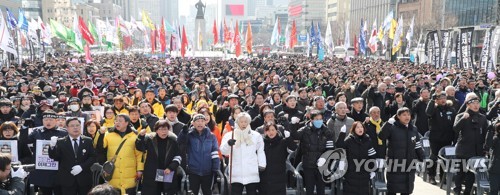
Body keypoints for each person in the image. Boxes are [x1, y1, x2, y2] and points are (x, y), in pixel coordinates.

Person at [20, 109, 67, 195]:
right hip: (42, 170)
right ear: (42, 121)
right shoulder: (36, 131)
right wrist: (24, 128)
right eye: (45, 120)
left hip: (58, 169)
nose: (48, 122)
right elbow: (24, 141)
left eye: (51, 120)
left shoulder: (63, 133)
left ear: (56, 121)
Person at [379, 107, 425, 195]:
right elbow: (381, 136)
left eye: (408, 114)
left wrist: (422, 159)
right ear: (398, 116)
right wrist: (388, 123)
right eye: (404, 115)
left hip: (409, 163)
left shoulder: (413, 129)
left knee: (407, 189)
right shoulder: (392, 127)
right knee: (392, 189)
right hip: (395, 164)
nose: (407, 117)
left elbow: (417, 145)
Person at [95, 114, 144, 194]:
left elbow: (139, 155)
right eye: (116, 121)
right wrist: (100, 134)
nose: (117, 123)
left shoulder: (134, 135)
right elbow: (99, 146)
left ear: (127, 123)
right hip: (113, 172)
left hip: (130, 173)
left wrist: (140, 170)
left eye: (120, 121)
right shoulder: (108, 134)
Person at [220, 112, 266, 195]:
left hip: (251, 170)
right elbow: (223, 151)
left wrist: (262, 164)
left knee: (252, 192)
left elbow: (260, 150)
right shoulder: (230, 135)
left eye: (246, 122)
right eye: (241, 122)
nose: (243, 124)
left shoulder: (255, 135)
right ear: (237, 122)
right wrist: (228, 144)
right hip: (236, 171)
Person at [291, 110, 334, 195]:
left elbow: (330, 148)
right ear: (311, 120)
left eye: (320, 119)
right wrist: (293, 125)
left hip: (322, 164)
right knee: (309, 188)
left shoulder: (326, 131)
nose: (319, 121)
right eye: (316, 119)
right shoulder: (305, 129)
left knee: (321, 189)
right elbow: (295, 135)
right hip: (308, 164)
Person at [48, 118, 96, 195]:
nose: (75, 127)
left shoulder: (88, 140)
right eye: (72, 126)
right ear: (67, 128)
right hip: (67, 179)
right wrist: (52, 146)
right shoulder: (61, 142)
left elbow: (93, 157)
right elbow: (55, 157)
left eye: (77, 125)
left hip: (84, 179)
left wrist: (81, 167)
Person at [453, 94, 488, 195]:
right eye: (473, 103)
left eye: (478, 103)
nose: (476, 105)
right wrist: (463, 119)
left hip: (477, 151)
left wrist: (485, 149)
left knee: (471, 175)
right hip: (463, 150)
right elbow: (455, 129)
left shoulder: (482, 118)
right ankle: (457, 190)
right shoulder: (461, 115)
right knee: (460, 172)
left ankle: (467, 192)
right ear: (468, 105)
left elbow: (486, 134)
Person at [136, 120, 182, 195]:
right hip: (152, 173)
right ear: (156, 130)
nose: (163, 132)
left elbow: (178, 156)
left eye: (165, 129)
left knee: (167, 191)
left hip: (167, 171)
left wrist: (171, 167)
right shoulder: (150, 139)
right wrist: (140, 136)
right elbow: (140, 147)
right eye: (160, 129)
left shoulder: (173, 141)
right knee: (152, 191)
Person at [178, 114, 220, 195]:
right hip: (193, 171)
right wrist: (183, 132)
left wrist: (216, 168)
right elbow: (180, 142)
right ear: (193, 123)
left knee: (207, 192)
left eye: (202, 121)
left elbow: (215, 152)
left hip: (208, 171)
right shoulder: (189, 135)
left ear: (205, 123)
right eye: (197, 121)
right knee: (193, 192)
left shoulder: (211, 136)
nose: (200, 123)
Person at [335, 122, 377, 195]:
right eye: (357, 127)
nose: (360, 129)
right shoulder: (349, 140)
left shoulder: (367, 140)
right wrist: (342, 134)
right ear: (354, 129)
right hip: (351, 173)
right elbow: (339, 148)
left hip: (364, 172)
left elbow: (372, 156)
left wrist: (373, 170)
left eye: (361, 127)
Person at [425, 91, 456, 185]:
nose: (443, 100)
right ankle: (431, 176)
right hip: (435, 138)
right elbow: (428, 113)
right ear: (437, 100)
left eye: (444, 98)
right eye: (440, 98)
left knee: (445, 158)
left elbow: (454, 123)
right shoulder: (434, 108)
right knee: (434, 157)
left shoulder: (451, 109)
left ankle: (443, 177)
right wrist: (431, 100)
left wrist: (454, 138)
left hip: (447, 138)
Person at [259, 122, 296, 195]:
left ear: (276, 130)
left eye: (273, 130)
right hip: (265, 176)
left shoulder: (282, 141)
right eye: (268, 130)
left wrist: (289, 138)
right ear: (265, 132)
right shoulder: (261, 142)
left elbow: (293, 149)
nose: (271, 132)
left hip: (279, 176)